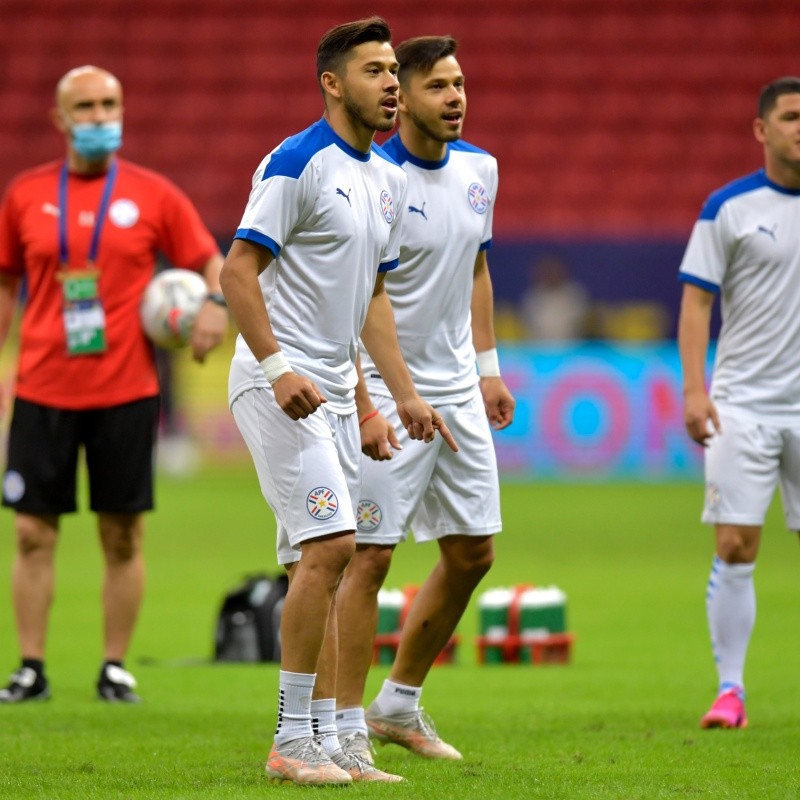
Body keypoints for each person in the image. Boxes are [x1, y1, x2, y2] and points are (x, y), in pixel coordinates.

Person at [219, 17, 456, 786]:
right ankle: (292, 742)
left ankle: (322, 740)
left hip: (332, 390)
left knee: (317, 562)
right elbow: (236, 274)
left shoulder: (384, 179)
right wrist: (279, 365)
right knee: (331, 549)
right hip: (275, 385)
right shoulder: (298, 163)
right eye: (374, 70)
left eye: (394, 69)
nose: (392, 83)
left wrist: (373, 398)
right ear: (332, 82)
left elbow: (361, 302)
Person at [0, 66, 227, 704]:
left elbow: (212, 258)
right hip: (42, 387)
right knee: (31, 532)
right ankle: (31, 667)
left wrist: (214, 303)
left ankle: (114, 667)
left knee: (122, 533)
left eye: (110, 105)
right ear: (60, 119)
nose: (100, 117)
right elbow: (6, 283)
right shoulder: (24, 195)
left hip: (126, 390)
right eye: (87, 107)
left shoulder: (154, 195)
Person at [333, 35, 515, 763]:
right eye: (439, 86)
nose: (457, 98)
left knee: (473, 553)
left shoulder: (482, 170)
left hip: (457, 388)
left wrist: (489, 366)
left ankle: (397, 705)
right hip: (385, 387)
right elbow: (358, 295)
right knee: (367, 559)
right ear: (400, 98)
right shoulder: (371, 179)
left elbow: (476, 267)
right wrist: (382, 395)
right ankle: (342, 726)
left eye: (461, 83)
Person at [677, 75, 800, 730]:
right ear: (762, 130)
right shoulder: (728, 207)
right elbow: (697, 300)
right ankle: (731, 691)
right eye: (790, 116)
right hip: (743, 404)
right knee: (734, 543)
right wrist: (695, 387)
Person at [520, 253, 591, 341]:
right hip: (539, 349)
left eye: (553, 270)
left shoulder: (575, 294)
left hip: (571, 349)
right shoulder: (532, 297)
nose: (550, 274)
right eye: (546, 271)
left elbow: (577, 326)